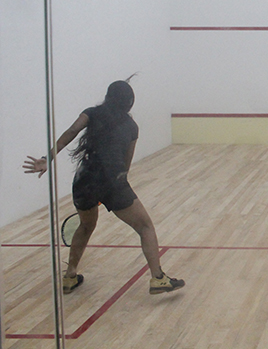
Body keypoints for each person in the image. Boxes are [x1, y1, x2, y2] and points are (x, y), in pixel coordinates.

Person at [24, 79, 184, 295]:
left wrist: (47, 158)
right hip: (112, 182)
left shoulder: (91, 113)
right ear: (129, 102)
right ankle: (158, 279)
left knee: (86, 225)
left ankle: (70, 276)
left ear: (108, 97)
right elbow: (125, 165)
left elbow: (72, 131)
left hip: (84, 180)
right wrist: (112, 189)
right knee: (145, 226)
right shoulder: (131, 127)